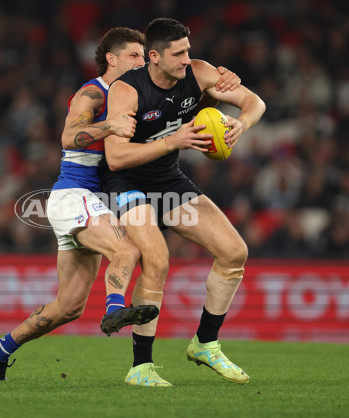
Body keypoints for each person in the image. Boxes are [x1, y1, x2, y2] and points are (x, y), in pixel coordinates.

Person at [0, 27, 241, 381]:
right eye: (133, 55)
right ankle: (116, 310)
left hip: (101, 202)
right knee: (129, 249)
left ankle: (1, 348)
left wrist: (221, 83)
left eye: (143, 54)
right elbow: (69, 136)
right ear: (111, 59)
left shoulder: (140, 93)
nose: (140, 60)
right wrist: (107, 126)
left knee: (68, 307)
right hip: (76, 194)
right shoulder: (94, 92)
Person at [100, 18, 266, 387]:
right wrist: (171, 143)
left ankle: (205, 343)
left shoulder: (201, 72)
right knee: (157, 260)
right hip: (129, 184)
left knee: (234, 252)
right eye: (178, 53)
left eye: (188, 50)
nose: (187, 59)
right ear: (154, 57)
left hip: (168, 182)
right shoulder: (127, 91)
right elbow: (115, 158)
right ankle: (140, 368)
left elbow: (255, 102)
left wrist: (243, 123)